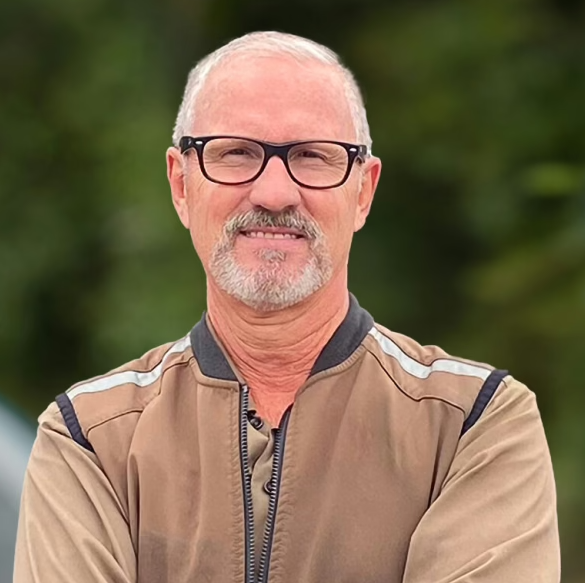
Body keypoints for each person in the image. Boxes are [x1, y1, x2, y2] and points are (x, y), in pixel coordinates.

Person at [14, 31, 560, 583]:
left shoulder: (473, 424)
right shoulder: (90, 438)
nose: (274, 193)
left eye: (312, 156)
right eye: (236, 153)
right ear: (181, 184)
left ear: (363, 192)